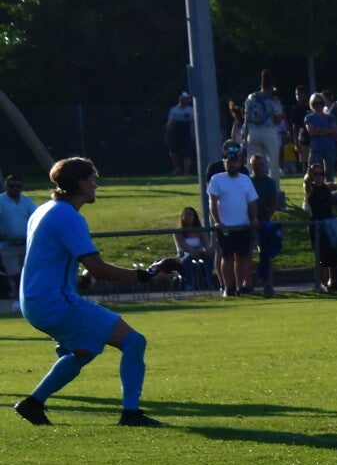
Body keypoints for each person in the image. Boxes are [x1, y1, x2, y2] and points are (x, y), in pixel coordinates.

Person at [12, 158, 178, 426]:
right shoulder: (67, 216)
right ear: (80, 183)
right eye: (92, 179)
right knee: (134, 342)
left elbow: (51, 264)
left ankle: (33, 403)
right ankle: (131, 414)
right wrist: (144, 276)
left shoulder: (45, 210)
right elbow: (98, 268)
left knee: (84, 350)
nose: (96, 185)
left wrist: (82, 281)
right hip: (56, 303)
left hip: (35, 303)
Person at [206, 145, 257, 297]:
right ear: (224, 163)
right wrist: (217, 221)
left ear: (239, 163)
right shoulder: (217, 179)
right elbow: (212, 202)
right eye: (229, 162)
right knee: (227, 256)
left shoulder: (245, 179)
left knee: (241, 257)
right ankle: (229, 288)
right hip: (225, 227)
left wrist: (253, 218)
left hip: (243, 225)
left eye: (235, 162)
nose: (232, 164)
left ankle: (239, 286)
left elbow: (252, 202)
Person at [301, 164, 337, 293]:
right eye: (315, 174)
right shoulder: (310, 188)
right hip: (317, 224)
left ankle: (333, 282)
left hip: (330, 223)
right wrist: (308, 174)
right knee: (321, 256)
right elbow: (306, 182)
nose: (319, 177)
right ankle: (323, 283)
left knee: (334, 255)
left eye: (321, 174)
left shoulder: (326, 187)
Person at [248, 154, 284, 296]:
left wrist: (266, 218)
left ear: (264, 166)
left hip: (264, 222)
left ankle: (269, 284)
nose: (257, 168)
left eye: (260, 165)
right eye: (254, 165)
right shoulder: (247, 181)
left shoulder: (269, 182)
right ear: (250, 166)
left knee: (267, 253)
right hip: (248, 222)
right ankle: (247, 284)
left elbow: (274, 202)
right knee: (247, 254)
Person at [242, 71, 285, 180]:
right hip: (269, 131)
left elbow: (246, 118)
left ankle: (253, 187)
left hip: (253, 132)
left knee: (252, 163)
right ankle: (274, 187)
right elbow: (278, 119)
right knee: (273, 164)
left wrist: (245, 137)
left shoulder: (251, 97)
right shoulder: (273, 99)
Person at [0, 174, 34, 310]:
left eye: (18, 186)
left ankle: (22, 300)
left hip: (26, 244)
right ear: (6, 186)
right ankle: (18, 299)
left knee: (26, 274)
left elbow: (36, 217)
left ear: (22, 187)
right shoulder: (1, 201)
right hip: (7, 245)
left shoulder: (27, 201)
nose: (15, 189)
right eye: (11, 186)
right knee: (15, 275)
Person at [171, 206, 213, 290]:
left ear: (194, 217)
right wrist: (192, 251)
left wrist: (206, 249)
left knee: (211, 255)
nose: (187, 217)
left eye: (190, 215)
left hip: (198, 252)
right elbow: (183, 245)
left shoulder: (199, 229)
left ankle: (207, 281)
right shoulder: (178, 231)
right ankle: (189, 283)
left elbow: (205, 242)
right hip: (184, 255)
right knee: (188, 259)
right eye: (185, 214)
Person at [164, 94, 196, 176]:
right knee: (172, 152)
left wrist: (194, 133)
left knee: (187, 154)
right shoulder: (174, 110)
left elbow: (194, 123)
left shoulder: (191, 110)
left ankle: (186, 172)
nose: (187, 101)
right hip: (176, 133)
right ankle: (177, 168)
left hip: (187, 134)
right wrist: (167, 135)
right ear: (181, 99)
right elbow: (170, 123)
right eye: (186, 99)